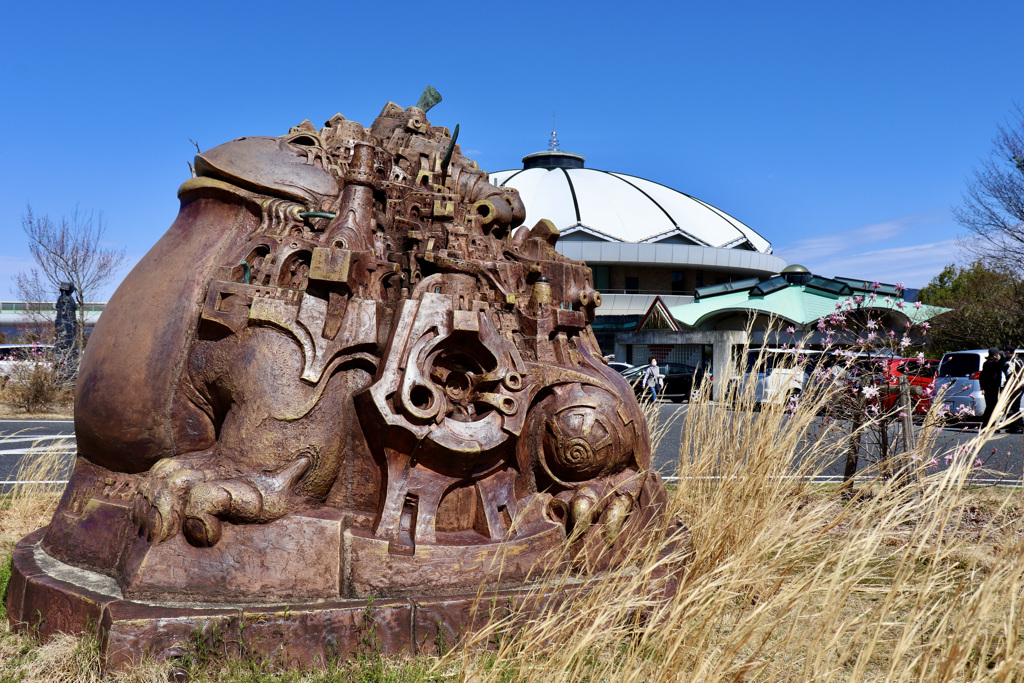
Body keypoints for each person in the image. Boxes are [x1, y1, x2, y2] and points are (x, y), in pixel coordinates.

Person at [980, 347, 1003, 430]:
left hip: (987, 388)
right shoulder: (995, 364)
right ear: (995, 355)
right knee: (992, 406)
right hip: (993, 388)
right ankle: (988, 424)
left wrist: (982, 387)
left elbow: (982, 376)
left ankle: (987, 424)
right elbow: (995, 377)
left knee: (989, 406)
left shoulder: (986, 363)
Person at [1002, 345, 1023, 433]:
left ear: (1009, 352)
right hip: (1017, 386)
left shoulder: (1012, 361)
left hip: (1015, 386)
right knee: (1012, 406)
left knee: (1014, 406)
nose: (1004, 352)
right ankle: (1013, 425)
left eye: (1005, 351)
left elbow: (1010, 374)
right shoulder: (1018, 360)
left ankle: (1018, 426)